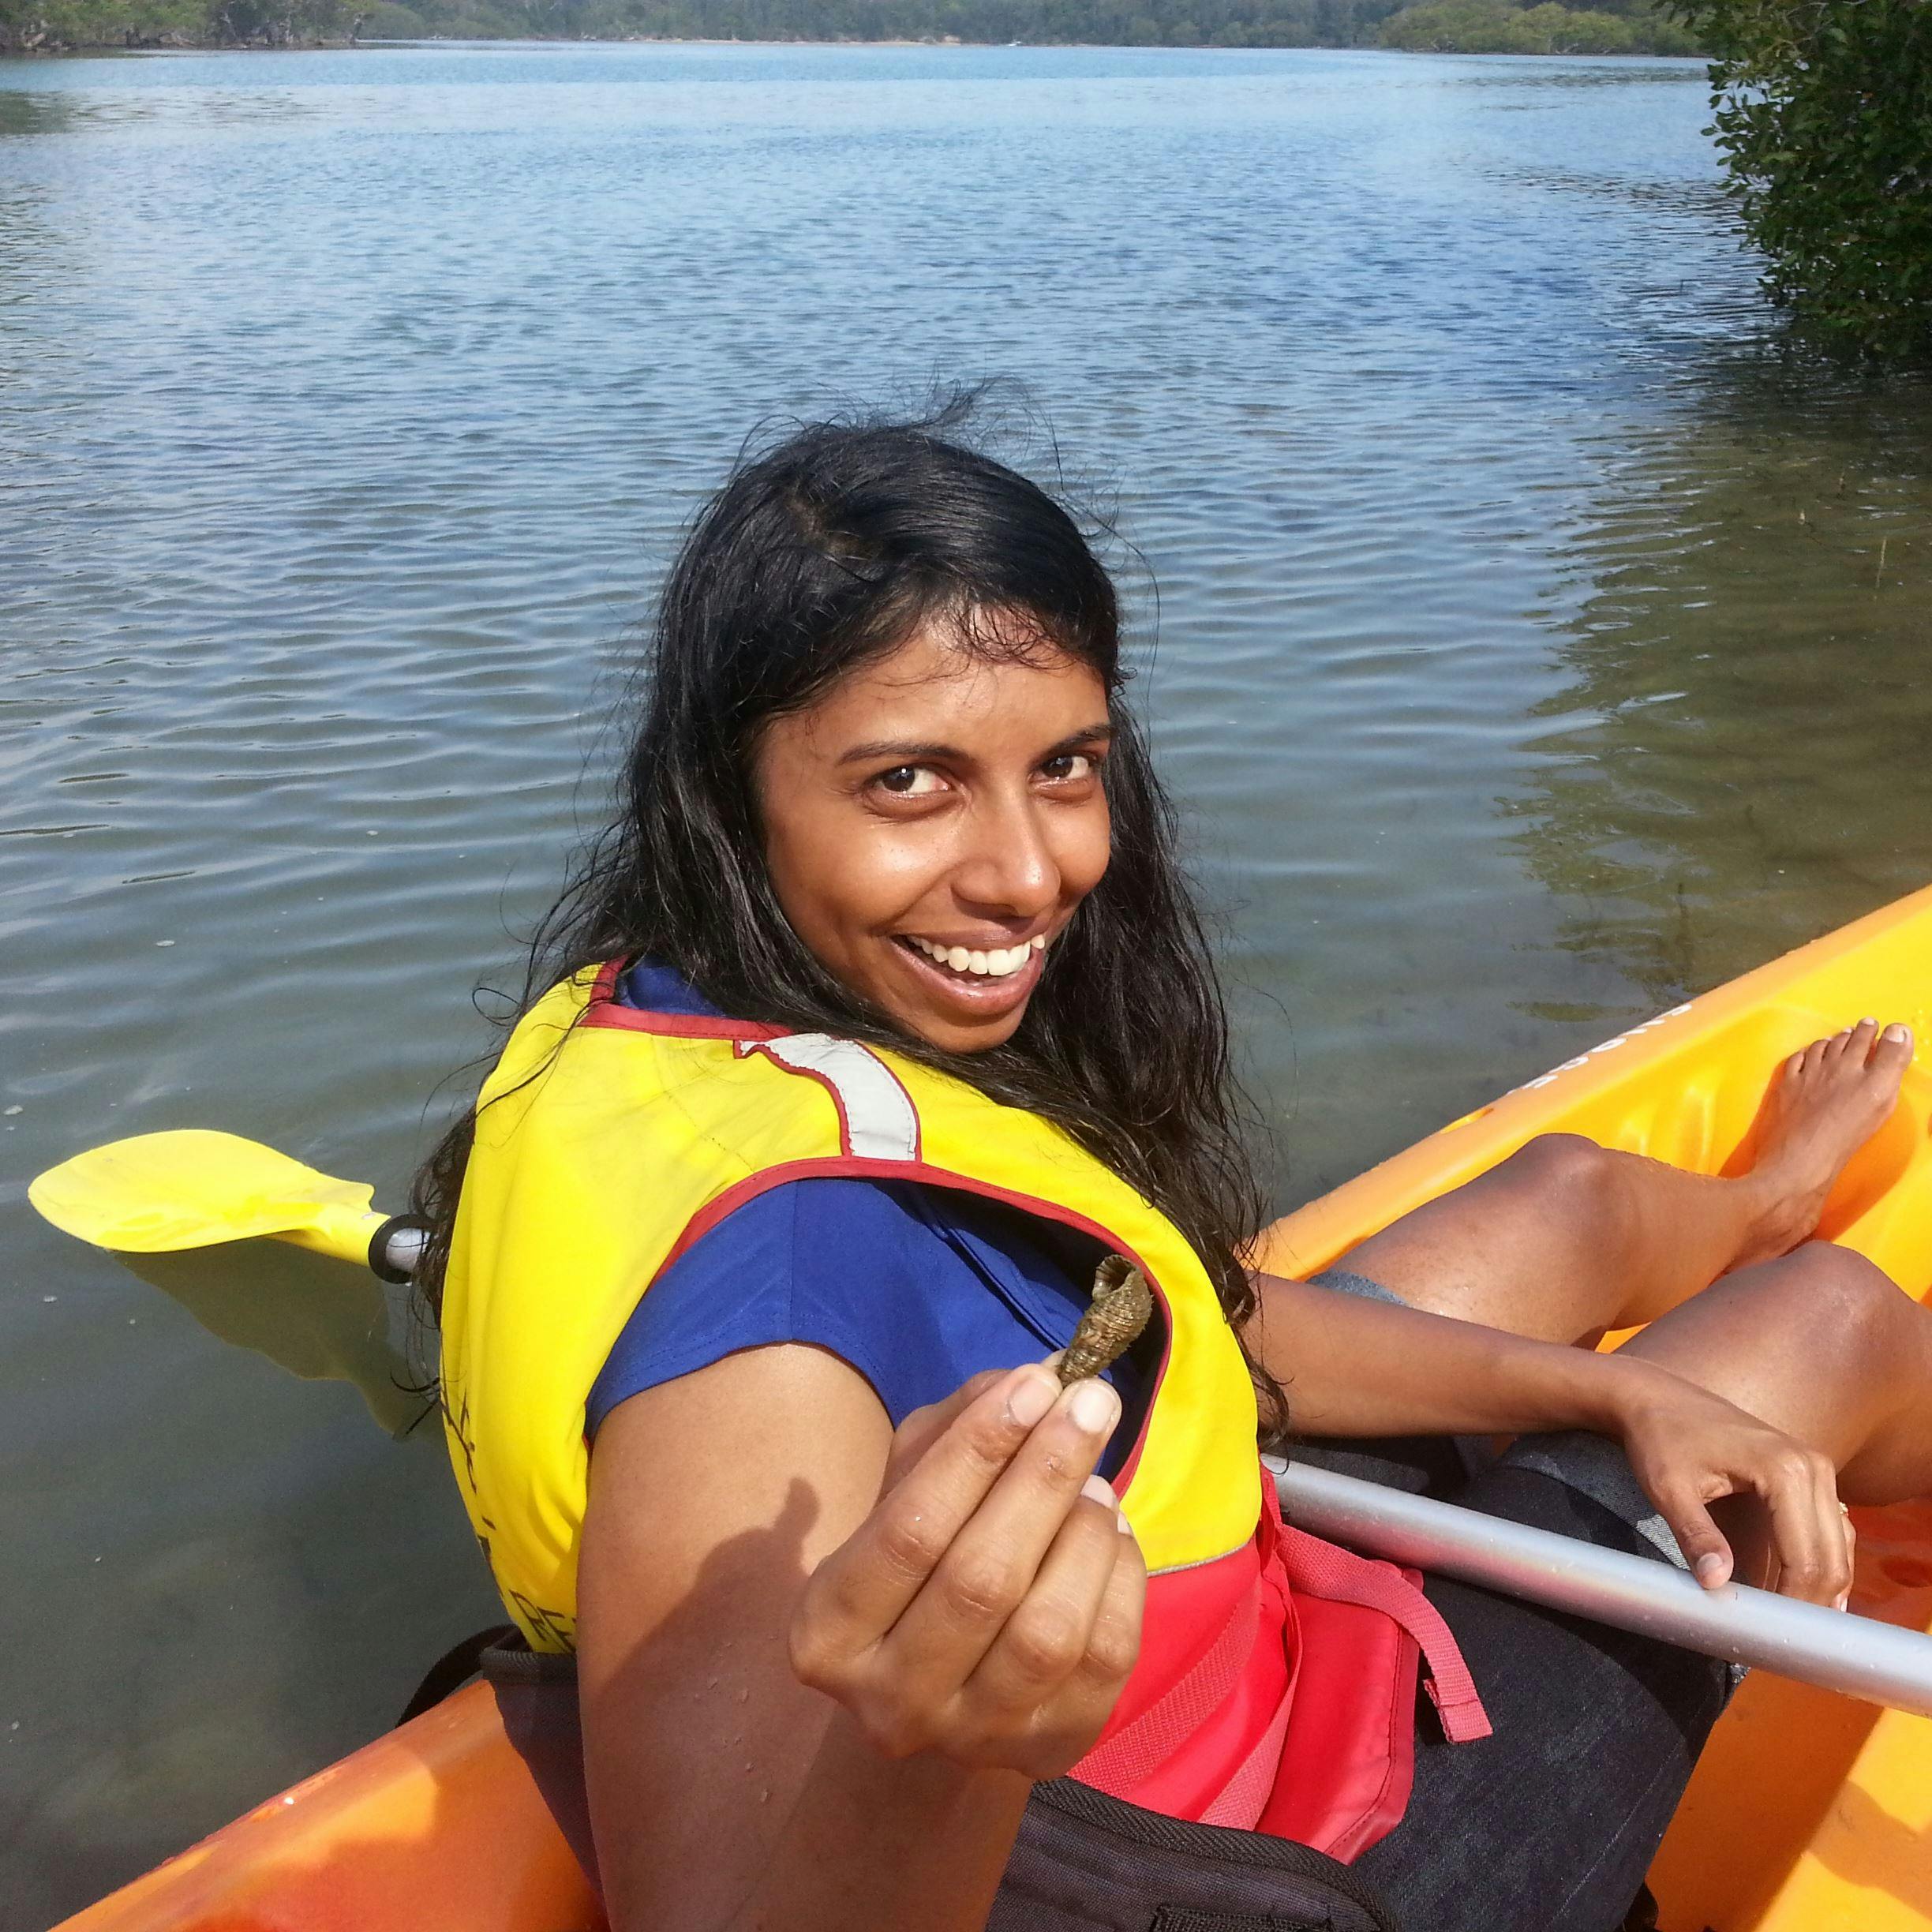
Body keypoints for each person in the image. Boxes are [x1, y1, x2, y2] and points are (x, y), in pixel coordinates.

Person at [411, 406, 1932, 1932]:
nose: (1030, 873)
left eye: (1065, 764)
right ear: (731, 790)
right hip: (1255, 1867)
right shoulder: (771, 1333)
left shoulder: (670, 1018)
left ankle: (1750, 1205)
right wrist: (943, 1757)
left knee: (1571, 1201)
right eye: (906, 784)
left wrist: (1612, 1388)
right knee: (1826, 1321)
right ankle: (1792, 1281)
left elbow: (1182, 1312)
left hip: (1203, 1644)